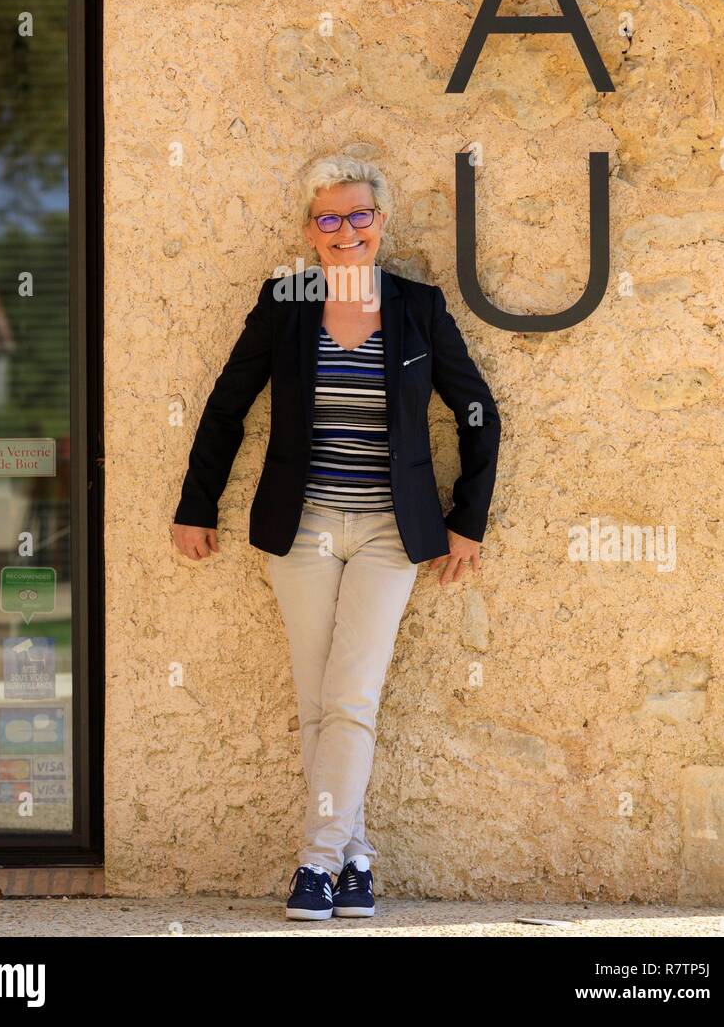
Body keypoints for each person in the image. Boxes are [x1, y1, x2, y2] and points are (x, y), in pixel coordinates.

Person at [171, 154, 501, 920]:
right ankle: (355, 858)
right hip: (305, 526)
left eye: (359, 216)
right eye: (329, 218)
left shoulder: (419, 307)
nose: (345, 230)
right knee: (318, 698)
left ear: (381, 223)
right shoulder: (285, 303)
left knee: (351, 695)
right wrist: (197, 505)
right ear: (310, 231)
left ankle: (315, 866)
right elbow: (227, 407)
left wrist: (468, 521)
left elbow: (478, 411)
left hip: (393, 531)